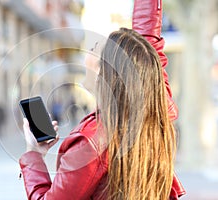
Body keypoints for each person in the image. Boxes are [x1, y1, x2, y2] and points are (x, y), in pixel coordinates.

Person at [19, 0, 186, 199]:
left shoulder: (92, 142)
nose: (86, 55)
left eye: (95, 50)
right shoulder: (156, 110)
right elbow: (147, 47)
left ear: (105, 73)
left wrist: (34, 155)